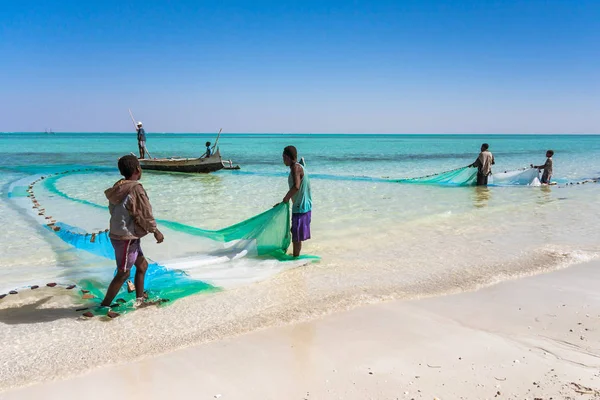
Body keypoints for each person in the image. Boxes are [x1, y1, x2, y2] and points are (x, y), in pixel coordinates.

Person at [101, 155, 164, 317]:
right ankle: (104, 305)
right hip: (126, 238)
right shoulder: (136, 188)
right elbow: (145, 212)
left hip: (122, 234)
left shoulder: (118, 187)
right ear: (138, 169)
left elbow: (115, 211)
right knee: (123, 273)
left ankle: (140, 300)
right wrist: (155, 231)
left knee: (142, 266)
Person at [279, 146, 312, 257]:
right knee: (295, 233)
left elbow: (296, 186)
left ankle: (296, 257)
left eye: (284, 157)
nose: (283, 160)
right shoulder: (300, 166)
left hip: (300, 207)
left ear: (288, 157)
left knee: (296, 237)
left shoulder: (295, 168)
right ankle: (296, 255)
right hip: (304, 206)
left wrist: (285, 199)